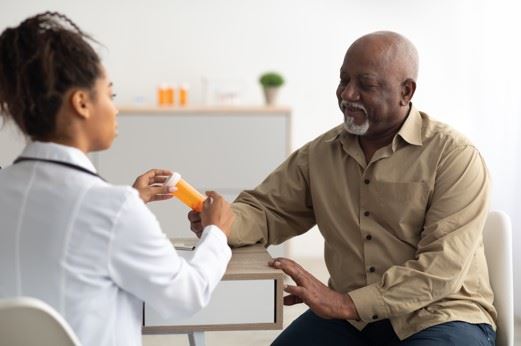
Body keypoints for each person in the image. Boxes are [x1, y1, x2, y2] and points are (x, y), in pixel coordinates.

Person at [189, 31, 497, 345]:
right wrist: (224, 223)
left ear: (406, 91)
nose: (348, 94)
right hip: (353, 322)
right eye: (343, 80)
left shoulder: (454, 157)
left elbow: (440, 269)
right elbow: (268, 210)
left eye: (366, 85)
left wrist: (345, 303)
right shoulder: (320, 154)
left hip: (440, 315)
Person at [0, 12, 234, 346]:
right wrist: (216, 234)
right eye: (109, 95)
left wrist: (128, 204)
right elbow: (185, 296)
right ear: (81, 103)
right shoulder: (112, 209)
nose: (116, 109)